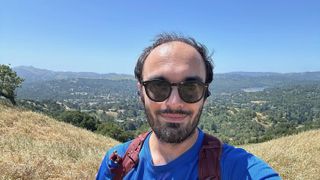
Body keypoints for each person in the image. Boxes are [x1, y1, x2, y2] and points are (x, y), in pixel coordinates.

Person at [96, 33, 280, 179]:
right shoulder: (116, 163)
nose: (174, 102)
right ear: (141, 92)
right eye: (158, 87)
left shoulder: (238, 169)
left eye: (191, 88)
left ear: (205, 95)